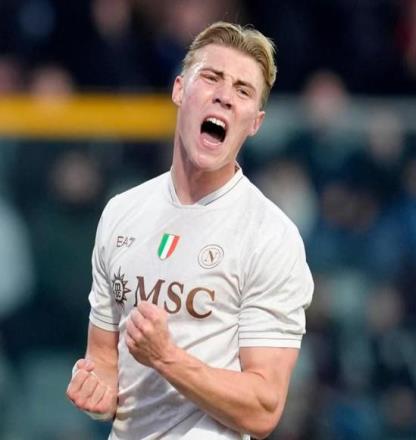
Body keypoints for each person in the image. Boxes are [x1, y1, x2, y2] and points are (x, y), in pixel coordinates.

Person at [66, 21, 314, 440]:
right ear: (179, 89)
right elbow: (104, 360)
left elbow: (264, 407)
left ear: (255, 122)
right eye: (212, 77)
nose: (224, 96)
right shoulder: (121, 213)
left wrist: (167, 357)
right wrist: (98, 391)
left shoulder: (270, 236)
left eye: (243, 91)